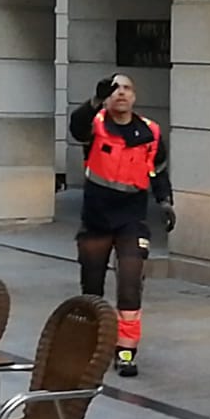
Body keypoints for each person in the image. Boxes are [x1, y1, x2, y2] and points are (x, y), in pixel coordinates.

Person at [69, 74, 173, 377]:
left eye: (127, 88)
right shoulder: (96, 123)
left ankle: (126, 350)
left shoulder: (150, 131)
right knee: (92, 287)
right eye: (115, 90)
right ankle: (91, 342)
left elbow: (159, 171)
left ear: (135, 96)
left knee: (130, 282)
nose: (121, 94)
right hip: (96, 219)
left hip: (132, 219)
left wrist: (166, 201)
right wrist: (94, 101)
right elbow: (76, 127)